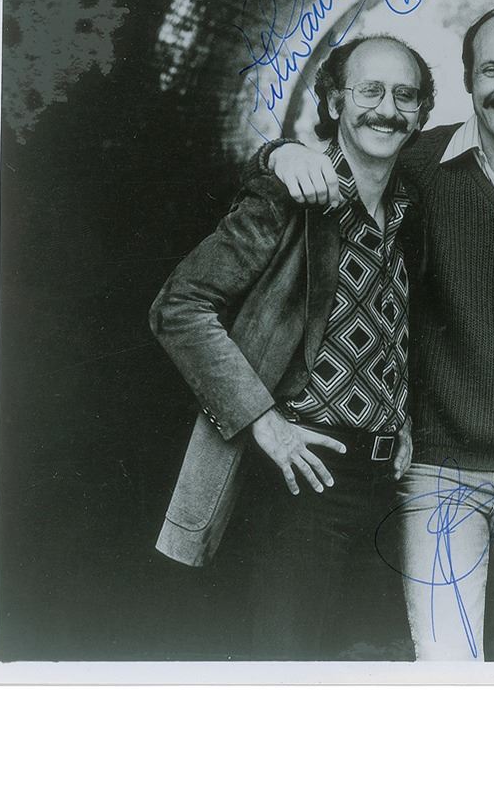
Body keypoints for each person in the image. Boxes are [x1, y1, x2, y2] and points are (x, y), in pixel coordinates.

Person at [257, 5, 494, 660]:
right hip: (441, 476)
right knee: (449, 672)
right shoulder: (418, 163)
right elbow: (331, 158)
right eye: (491, 70)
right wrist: (280, 151)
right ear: (467, 79)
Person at [150, 35, 435, 660]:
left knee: (375, 677)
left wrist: (401, 415)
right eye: (370, 91)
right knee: (289, 675)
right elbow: (179, 307)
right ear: (334, 102)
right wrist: (266, 423)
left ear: (420, 115)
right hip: (303, 481)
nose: (387, 110)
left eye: (405, 96)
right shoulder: (290, 194)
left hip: (385, 484)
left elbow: (393, 328)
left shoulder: (409, 206)